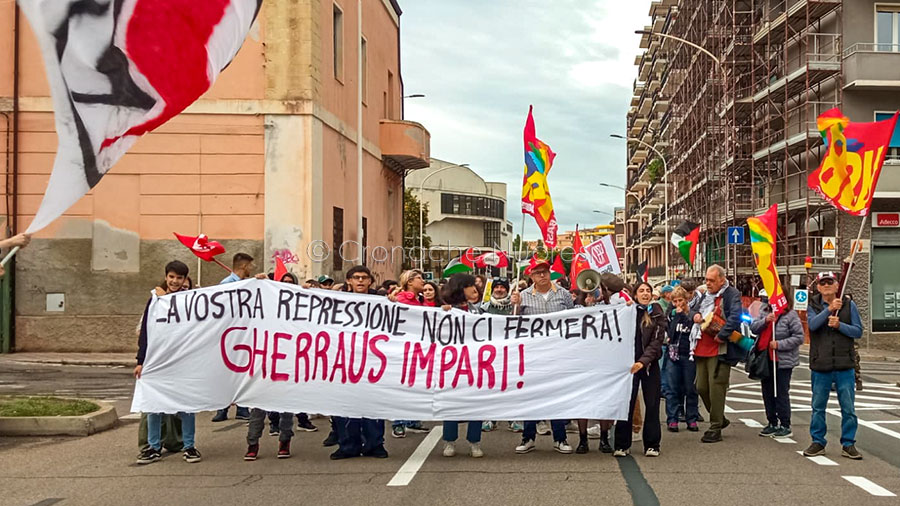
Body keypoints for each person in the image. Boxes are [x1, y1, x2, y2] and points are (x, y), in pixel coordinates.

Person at [134, 260, 202, 464]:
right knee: (155, 404)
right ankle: (153, 446)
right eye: (171, 277)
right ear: (166, 277)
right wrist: (141, 360)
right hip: (158, 360)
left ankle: (189, 446)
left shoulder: (190, 301)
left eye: (179, 278)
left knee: (187, 405)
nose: (174, 281)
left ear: (184, 280)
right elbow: (146, 331)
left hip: (183, 361)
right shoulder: (155, 300)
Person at [511, 256, 575, 454]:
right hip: (534, 353)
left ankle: (560, 438)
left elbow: (573, 318)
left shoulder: (563, 294)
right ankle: (528, 437)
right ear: (531, 276)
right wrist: (514, 306)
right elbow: (513, 323)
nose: (542, 275)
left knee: (557, 394)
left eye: (545, 272)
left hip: (558, 352)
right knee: (532, 395)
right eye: (537, 273)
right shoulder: (522, 296)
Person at [330, 265, 390, 460]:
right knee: (345, 406)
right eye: (356, 278)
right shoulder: (337, 301)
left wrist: (395, 303)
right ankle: (348, 445)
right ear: (349, 281)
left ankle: (375, 444)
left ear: (370, 281)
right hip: (345, 361)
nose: (360, 281)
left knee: (373, 404)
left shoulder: (381, 302)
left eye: (364, 278)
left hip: (373, 362)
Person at [803, 272, 863, 460]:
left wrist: (840, 326)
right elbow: (812, 325)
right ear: (818, 287)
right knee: (818, 406)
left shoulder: (849, 305)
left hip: (845, 364)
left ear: (838, 285)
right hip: (821, 364)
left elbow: (858, 331)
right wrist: (828, 310)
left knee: (848, 408)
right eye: (823, 282)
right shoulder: (813, 305)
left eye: (831, 282)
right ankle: (818, 441)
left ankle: (848, 443)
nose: (827, 285)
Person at [212, 253, 267, 422]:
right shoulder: (226, 285)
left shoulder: (249, 284)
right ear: (244, 266)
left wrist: (261, 282)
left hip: (245, 335)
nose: (253, 269)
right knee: (228, 372)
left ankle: (242, 408)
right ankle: (223, 408)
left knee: (243, 371)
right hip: (230, 336)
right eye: (251, 266)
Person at [691, 265, 743, 443]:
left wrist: (722, 334)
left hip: (719, 347)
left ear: (722, 279)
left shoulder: (732, 294)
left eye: (712, 280)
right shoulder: (703, 294)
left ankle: (715, 427)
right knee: (701, 387)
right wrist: (695, 316)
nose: (708, 283)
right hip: (701, 345)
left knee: (716, 387)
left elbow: (735, 317)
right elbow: (691, 309)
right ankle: (720, 418)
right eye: (706, 279)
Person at [614, 281, 665, 457]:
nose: (645, 294)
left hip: (649, 365)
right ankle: (621, 444)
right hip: (629, 366)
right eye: (641, 291)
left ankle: (652, 444)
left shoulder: (656, 312)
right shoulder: (627, 312)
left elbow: (657, 342)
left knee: (652, 404)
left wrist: (642, 362)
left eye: (648, 291)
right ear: (635, 295)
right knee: (626, 404)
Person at [438, 273, 485, 458]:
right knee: (451, 403)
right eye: (470, 286)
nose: (475, 290)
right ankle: (449, 441)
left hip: (475, 363)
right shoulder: (443, 309)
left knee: (476, 403)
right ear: (460, 288)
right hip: (451, 364)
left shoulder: (478, 310)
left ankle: (475, 441)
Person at [751, 293, 804, 439]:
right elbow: (754, 328)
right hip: (765, 358)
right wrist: (765, 321)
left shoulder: (791, 316)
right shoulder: (764, 311)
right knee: (767, 391)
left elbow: (799, 337)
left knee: (781, 392)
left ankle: (785, 424)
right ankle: (772, 422)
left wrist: (780, 344)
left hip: (783, 360)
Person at [389, 269, 431, 438]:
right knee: (402, 386)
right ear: (410, 282)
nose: (423, 281)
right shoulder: (400, 300)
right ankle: (398, 422)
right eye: (420, 278)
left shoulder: (422, 300)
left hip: (419, 348)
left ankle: (412, 420)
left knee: (416, 385)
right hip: (403, 348)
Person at [664, 286, 700, 433]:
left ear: (686, 300)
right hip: (673, 354)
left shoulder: (692, 315)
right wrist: (676, 316)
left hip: (688, 354)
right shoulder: (671, 315)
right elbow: (671, 335)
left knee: (690, 388)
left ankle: (691, 418)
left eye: (681, 301)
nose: (678, 304)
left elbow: (694, 329)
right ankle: (672, 419)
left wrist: (684, 316)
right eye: (675, 301)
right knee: (672, 388)